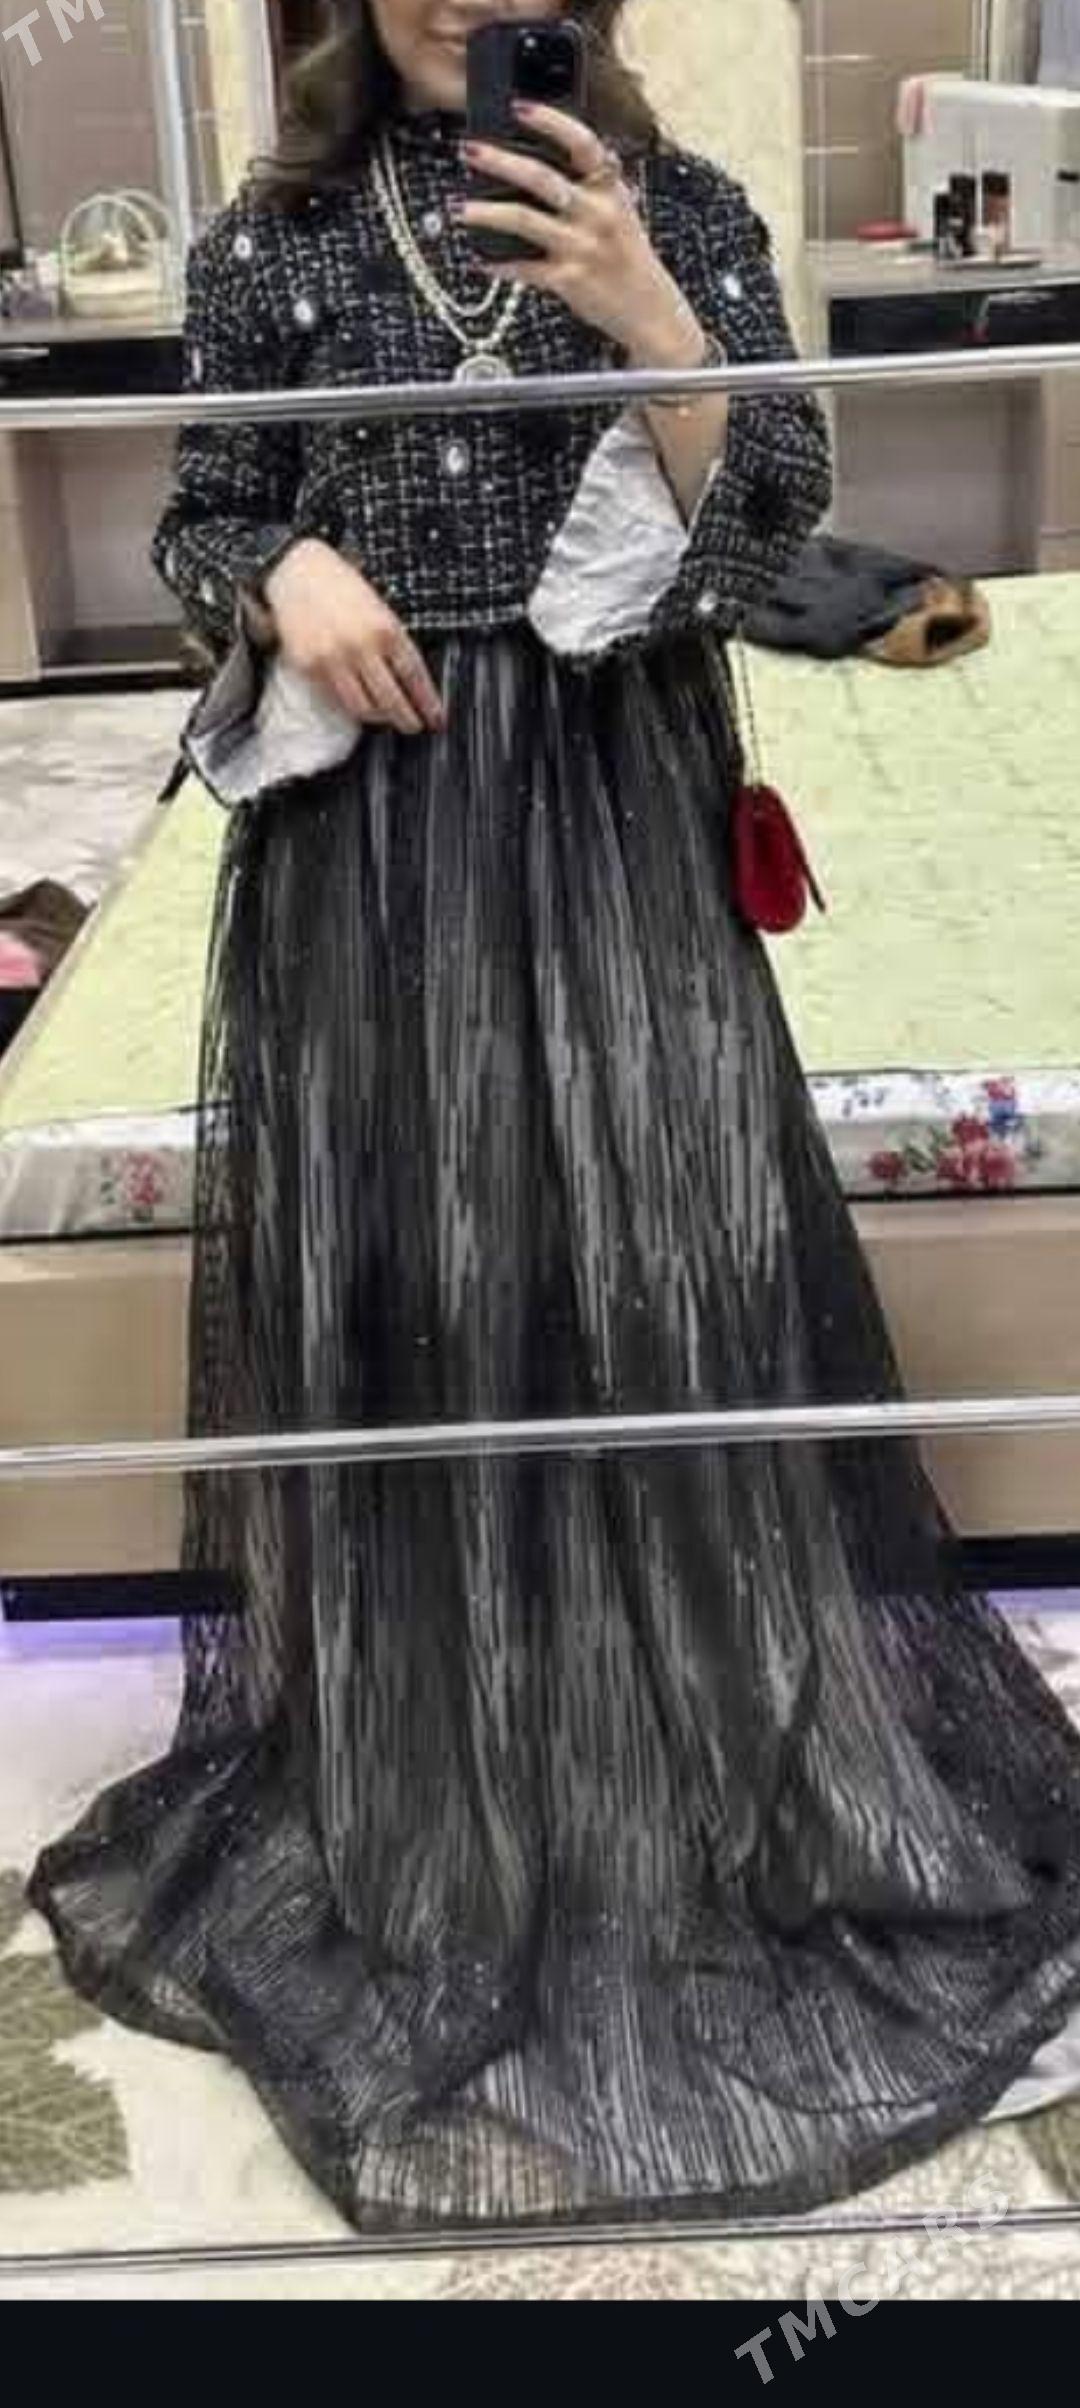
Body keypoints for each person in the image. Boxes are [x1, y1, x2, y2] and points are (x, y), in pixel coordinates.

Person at [28, 0, 1080, 2238]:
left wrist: (654, 322)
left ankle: (703, 1751)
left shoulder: (678, 208)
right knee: (416, 1269)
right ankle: (445, 1792)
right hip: (369, 842)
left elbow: (771, 535)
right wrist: (281, 574)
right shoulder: (274, 231)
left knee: (659, 1249)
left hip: (614, 807)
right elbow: (201, 517)